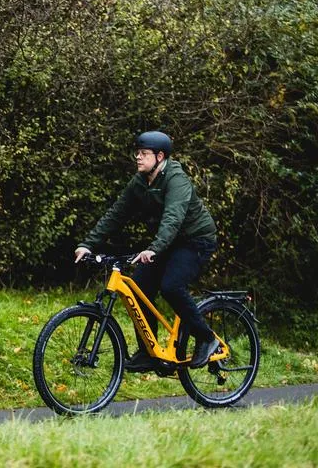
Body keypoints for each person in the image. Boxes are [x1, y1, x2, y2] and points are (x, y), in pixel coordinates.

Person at [74, 131, 220, 371]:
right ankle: (148, 353)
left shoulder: (176, 180)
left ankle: (206, 338)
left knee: (171, 286)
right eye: (137, 153)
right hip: (168, 242)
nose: (138, 158)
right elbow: (116, 213)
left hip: (196, 241)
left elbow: (173, 218)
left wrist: (154, 248)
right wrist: (88, 244)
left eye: (144, 154)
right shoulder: (140, 181)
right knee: (139, 287)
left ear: (160, 156)